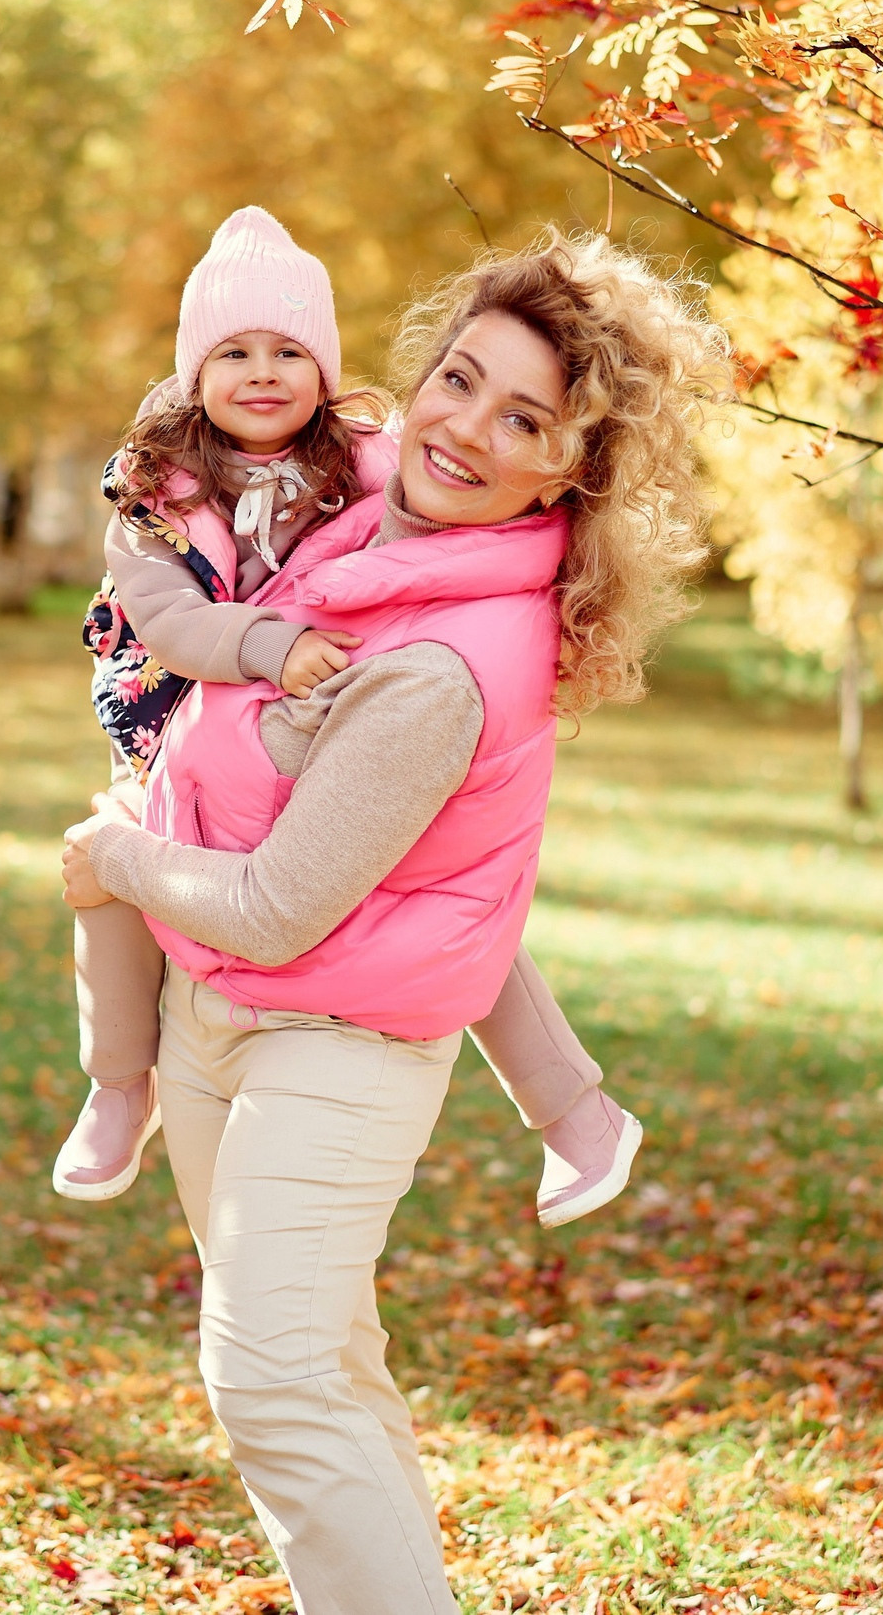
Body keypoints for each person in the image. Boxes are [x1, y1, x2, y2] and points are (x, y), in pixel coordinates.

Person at [60, 234, 728, 1614]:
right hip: (214, 1015)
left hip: (332, 1039)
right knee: (331, 1372)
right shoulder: (366, 514)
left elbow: (282, 902)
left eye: (524, 418)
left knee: (276, 1383)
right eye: (459, 379)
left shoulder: (443, 664)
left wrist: (118, 859)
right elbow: (222, 442)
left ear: (569, 469)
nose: (467, 428)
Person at [54, 206, 638, 1228]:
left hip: (307, 886)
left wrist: (121, 853)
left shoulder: (355, 465)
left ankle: (575, 1112)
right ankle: (115, 1083)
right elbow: (172, 624)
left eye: (290, 352)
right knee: (119, 878)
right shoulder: (156, 495)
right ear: (196, 373)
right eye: (233, 353)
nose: (263, 374)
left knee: (442, 904)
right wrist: (269, 649)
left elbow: (425, 466)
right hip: (173, 693)